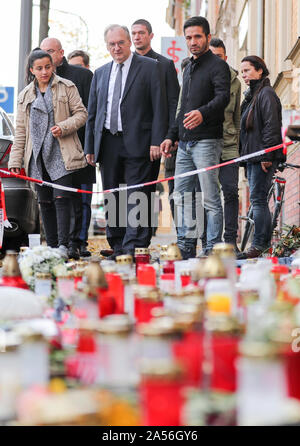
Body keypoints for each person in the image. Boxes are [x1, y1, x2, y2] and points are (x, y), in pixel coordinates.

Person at [85, 24, 167, 259]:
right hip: (108, 142)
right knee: (113, 195)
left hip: (139, 142)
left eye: (121, 42)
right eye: (112, 44)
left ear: (129, 42)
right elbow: (94, 112)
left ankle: (134, 245)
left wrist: (156, 140)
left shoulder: (150, 67)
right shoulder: (100, 73)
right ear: (107, 46)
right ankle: (118, 245)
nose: (117, 47)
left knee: (136, 195)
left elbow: (159, 106)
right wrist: (90, 146)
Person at [160, 16, 231, 260]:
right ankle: (187, 248)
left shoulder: (217, 65)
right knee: (181, 198)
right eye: (188, 37)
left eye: (197, 36)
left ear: (208, 37)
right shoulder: (187, 67)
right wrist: (171, 136)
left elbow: (223, 98)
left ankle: (212, 250)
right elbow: (182, 107)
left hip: (207, 141)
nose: (192, 42)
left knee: (210, 198)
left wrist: (203, 113)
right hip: (184, 145)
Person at [8, 49, 88, 258]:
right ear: (32, 70)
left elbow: (82, 114)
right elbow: (21, 131)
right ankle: (51, 247)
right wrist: (15, 160)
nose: (44, 72)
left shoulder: (66, 87)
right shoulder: (25, 95)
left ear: (53, 66)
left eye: (48, 67)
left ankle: (64, 245)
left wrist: (64, 126)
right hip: (37, 157)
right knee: (44, 203)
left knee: (62, 199)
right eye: (39, 68)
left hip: (61, 152)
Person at [40, 38, 95, 259]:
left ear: (61, 53)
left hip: (78, 148)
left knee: (79, 200)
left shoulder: (82, 76)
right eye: (43, 51)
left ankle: (77, 242)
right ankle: (57, 244)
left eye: (51, 51)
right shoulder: (37, 78)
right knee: (53, 201)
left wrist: (91, 148)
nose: (46, 56)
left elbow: (91, 114)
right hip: (49, 153)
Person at [131, 19, 179, 238]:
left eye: (141, 33)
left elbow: (172, 103)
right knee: (122, 189)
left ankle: (144, 237)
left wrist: (169, 135)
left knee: (147, 188)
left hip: (153, 137)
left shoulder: (164, 64)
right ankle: (123, 238)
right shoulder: (124, 63)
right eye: (134, 33)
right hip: (125, 137)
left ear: (150, 35)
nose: (137, 37)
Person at [237, 56, 284, 259]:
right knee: (257, 200)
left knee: (258, 201)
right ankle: (259, 245)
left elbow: (272, 126)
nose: (244, 75)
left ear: (259, 71)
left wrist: (267, 154)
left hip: (262, 158)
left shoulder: (266, 93)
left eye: (247, 70)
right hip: (253, 158)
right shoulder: (253, 95)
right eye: (242, 72)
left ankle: (260, 245)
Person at [208, 38, 241, 252]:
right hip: (206, 144)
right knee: (208, 195)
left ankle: (230, 242)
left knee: (230, 192)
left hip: (228, 145)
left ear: (225, 57)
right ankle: (211, 242)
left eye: (219, 57)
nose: (216, 61)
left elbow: (237, 115)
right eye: (213, 57)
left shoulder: (235, 81)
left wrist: (236, 142)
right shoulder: (202, 74)